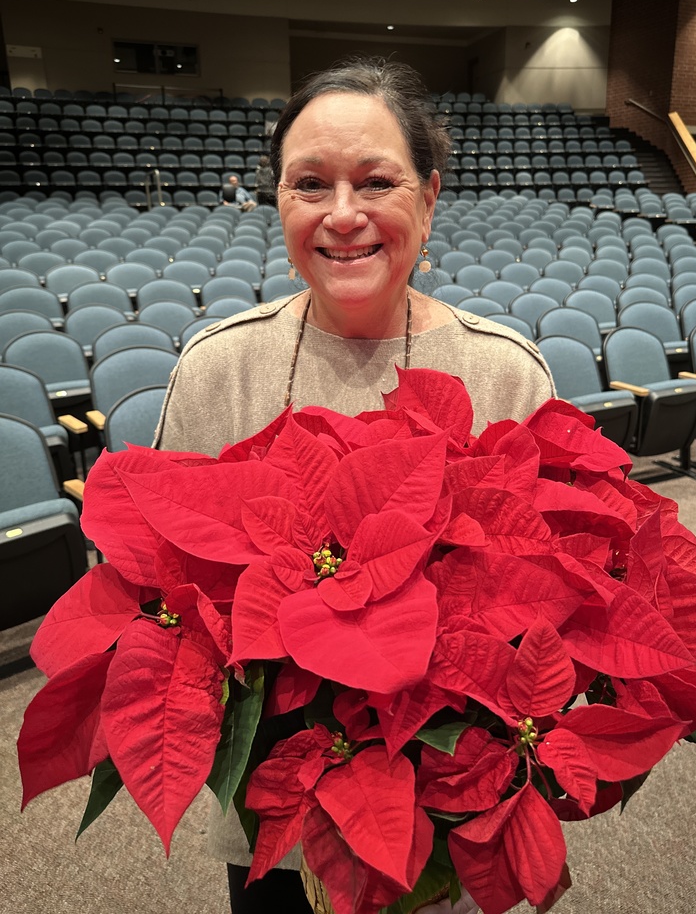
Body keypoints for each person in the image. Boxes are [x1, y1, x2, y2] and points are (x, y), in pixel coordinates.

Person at [153, 55, 556, 913]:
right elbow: (160, 586)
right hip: (276, 819)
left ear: (430, 198)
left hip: (446, 818)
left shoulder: (507, 377)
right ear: (279, 202)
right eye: (310, 184)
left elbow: (553, 605)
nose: (344, 216)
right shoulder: (218, 370)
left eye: (377, 181)